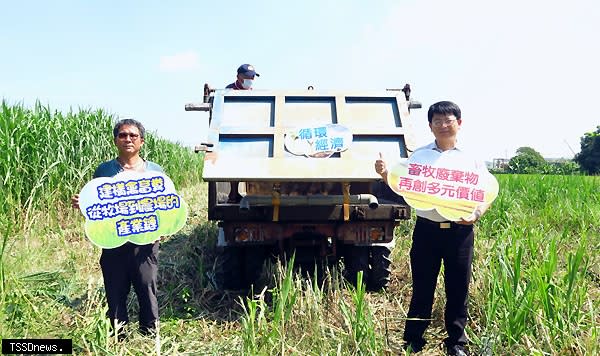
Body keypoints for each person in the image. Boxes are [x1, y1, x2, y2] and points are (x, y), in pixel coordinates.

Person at [374, 101, 490, 356]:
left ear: (459, 123)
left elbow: (487, 192)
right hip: (427, 230)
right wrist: (385, 176)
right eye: (437, 121)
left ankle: (457, 343)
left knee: (458, 288)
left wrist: (477, 213)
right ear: (430, 126)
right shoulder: (420, 156)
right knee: (423, 287)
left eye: (448, 120)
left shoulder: (471, 157)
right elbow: (405, 187)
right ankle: (413, 340)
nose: (443, 125)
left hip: (460, 233)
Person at [71, 119, 164, 337]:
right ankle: (117, 336)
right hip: (113, 240)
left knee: (147, 287)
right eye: (122, 135)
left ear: (141, 141)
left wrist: (163, 226)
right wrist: (83, 204)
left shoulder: (154, 171)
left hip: (145, 241)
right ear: (115, 140)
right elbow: (97, 206)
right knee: (115, 289)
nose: (128, 139)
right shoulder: (104, 170)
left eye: (133, 135)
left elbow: (163, 204)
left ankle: (150, 335)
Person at [225, 63, 260, 202]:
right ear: (239, 77)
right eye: (248, 77)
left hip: (250, 131)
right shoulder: (229, 90)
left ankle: (254, 194)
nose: (251, 79)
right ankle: (233, 194)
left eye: (252, 77)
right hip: (233, 132)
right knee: (234, 164)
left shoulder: (253, 92)